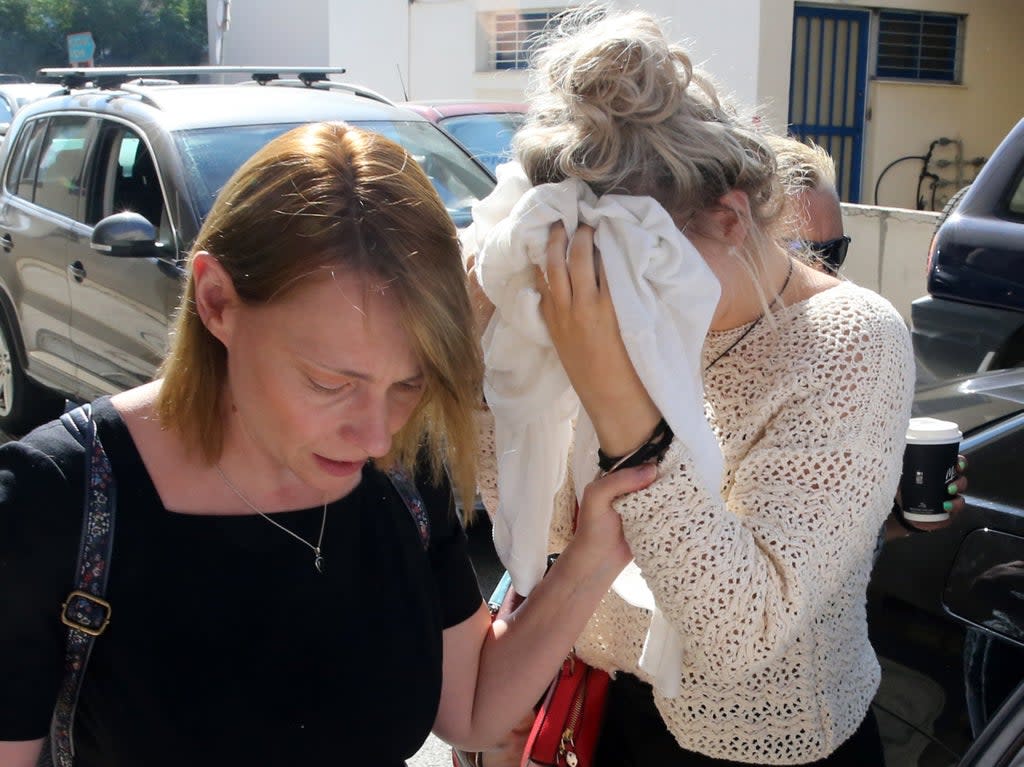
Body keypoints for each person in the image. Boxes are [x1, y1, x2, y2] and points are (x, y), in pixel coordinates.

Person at [0, 121, 657, 767]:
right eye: (329, 382)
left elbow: (472, 708)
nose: (376, 435)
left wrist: (592, 553)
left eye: (408, 384)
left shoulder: (404, 472)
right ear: (216, 299)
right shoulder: (55, 502)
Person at [465, 7, 917, 765]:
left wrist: (623, 415)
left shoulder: (849, 342)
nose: (617, 303)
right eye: (598, 270)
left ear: (731, 216)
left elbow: (741, 634)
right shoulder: (589, 305)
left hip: (768, 738)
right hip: (603, 711)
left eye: (645, 271)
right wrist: (494, 364)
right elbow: (541, 543)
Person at [769, 134, 969, 534]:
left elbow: (832, 546)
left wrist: (896, 511)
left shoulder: (844, 349)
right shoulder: (694, 366)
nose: (826, 274)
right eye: (804, 255)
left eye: (835, 252)